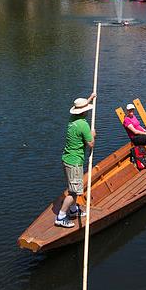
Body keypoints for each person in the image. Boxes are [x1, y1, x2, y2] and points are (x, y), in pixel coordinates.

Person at [55, 92, 96, 228]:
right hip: (74, 162)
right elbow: (90, 144)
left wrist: (90, 98)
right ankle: (60, 217)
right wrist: (93, 135)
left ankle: (73, 210)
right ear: (84, 112)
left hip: (66, 159)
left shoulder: (72, 119)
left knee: (73, 186)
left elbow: (80, 107)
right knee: (74, 192)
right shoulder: (83, 125)